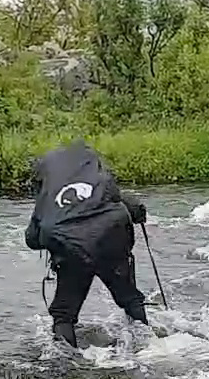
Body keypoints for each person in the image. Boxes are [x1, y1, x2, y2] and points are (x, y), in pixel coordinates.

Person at [22, 141, 151, 348]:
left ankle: (65, 365)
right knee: (130, 299)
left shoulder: (48, 196)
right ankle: (150, 349)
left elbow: (32, 239)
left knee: (64, 314)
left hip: (71, 250)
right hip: (112, 239)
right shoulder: (100, 181)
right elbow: (133, 208)